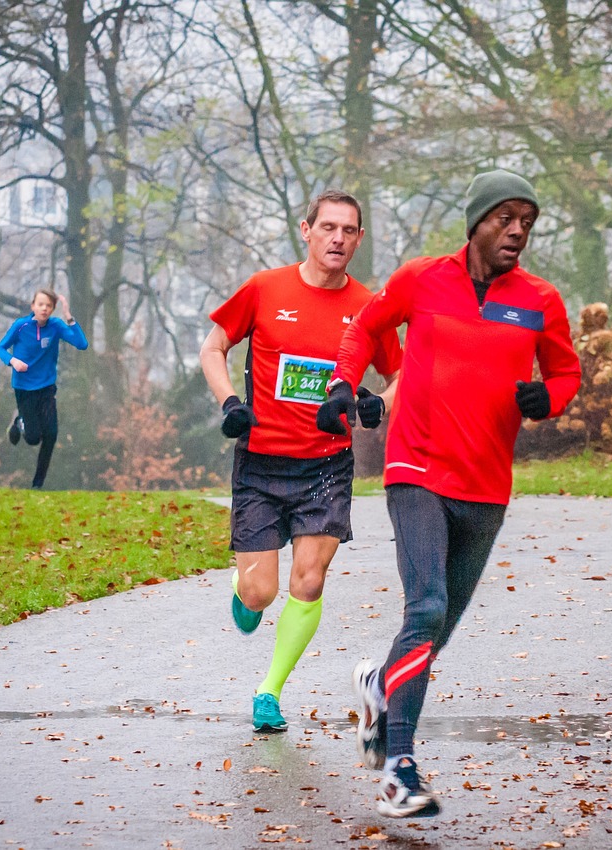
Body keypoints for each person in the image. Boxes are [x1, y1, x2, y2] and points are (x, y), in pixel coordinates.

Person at [318, 170, 582, 818]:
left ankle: (381, 686)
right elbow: (363, 327)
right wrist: (342, 385)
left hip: (487, 486)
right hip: (416, 470)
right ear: (476, 223)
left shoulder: (540, 299)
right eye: (506, 217)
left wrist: (549, 397)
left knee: (435, 632)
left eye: (528, 219)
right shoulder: (422, 279)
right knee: (427, 607)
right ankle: (398, 766)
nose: (518, 230)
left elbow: (566, 368)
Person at [200, 189, 403, 734]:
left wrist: (377, 403)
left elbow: (400, 375)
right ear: (306, 230)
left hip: (326, 465)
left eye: (349, 230)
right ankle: (246, 592)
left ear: (359, 239)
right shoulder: (265, 289)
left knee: (309, 580)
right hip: (262, 464)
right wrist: (230, 402)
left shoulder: (368, 306)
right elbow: (212, 347)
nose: (338, 238)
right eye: (329, 227)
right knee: (260, 592)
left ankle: (269, 690)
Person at [0, 289, 89, 490]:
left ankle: (37, 484)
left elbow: (82, 344)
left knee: (51, 435)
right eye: (40, 304)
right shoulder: (21, 326)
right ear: (33, 306)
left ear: (53, 309)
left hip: (46, 388)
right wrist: (12, 361)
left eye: (48, 306)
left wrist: (69, 318)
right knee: (33, 438)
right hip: (24, 388)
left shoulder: (56, 326)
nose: (44, 309)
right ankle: (19, 420)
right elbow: (0, 348)